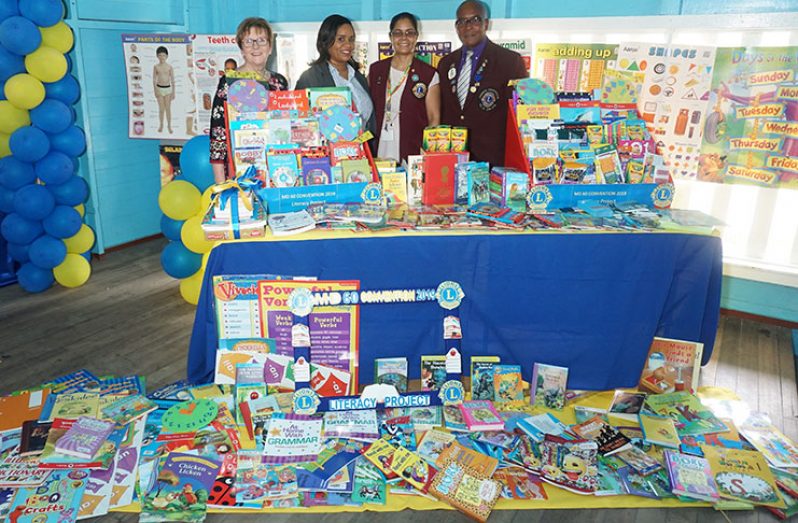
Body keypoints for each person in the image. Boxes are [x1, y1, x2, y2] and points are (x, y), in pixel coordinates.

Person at [437, 0, 527, 167]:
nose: (468, 26)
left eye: (475, 20)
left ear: (486, 24)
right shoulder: (445, 63)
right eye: (462, 21)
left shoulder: (510, 61)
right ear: (456, 27)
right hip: (453, 158)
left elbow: (518, 113)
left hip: (493, 160)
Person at [209, 17, 288, 183]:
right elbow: (218, 134)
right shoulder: (229, 82)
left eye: (261, 40)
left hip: (277, 168)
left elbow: (287, 127)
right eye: (249, 41)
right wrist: (221, 185)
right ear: (241, 48)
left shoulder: (279, 83)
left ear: (270, 47)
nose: (255, 46)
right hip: (239, 171)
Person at [368, 12, 440, 162]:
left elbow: (434, 119)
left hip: (413, 150)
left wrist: (427, 150)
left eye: (409, 33)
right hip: (378, 147)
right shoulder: (376, 70)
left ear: (416, 36)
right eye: (398, 33)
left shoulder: (428, 74)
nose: (404, 38)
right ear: (391, 37)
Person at [295, 15, 375, 140]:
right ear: (326, 41)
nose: (348, 45)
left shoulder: (359, 78)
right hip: (327, 155)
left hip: (361, 153)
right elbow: (298, 124)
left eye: (351, 39)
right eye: (341, 39)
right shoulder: (310, 78)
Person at [153, 46, 175, 134]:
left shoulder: (169, 67)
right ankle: (161, 125)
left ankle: (169, 126)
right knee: (161, 109)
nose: (162, 57)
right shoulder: (156, 67)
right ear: (157, 56)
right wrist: (155, 90)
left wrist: (173, 92)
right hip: (159, 88)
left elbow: (173, 80)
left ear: (167, 56)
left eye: (163, 55)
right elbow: (154, 79)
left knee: (168, 108)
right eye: (160, 55)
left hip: (168, 89)